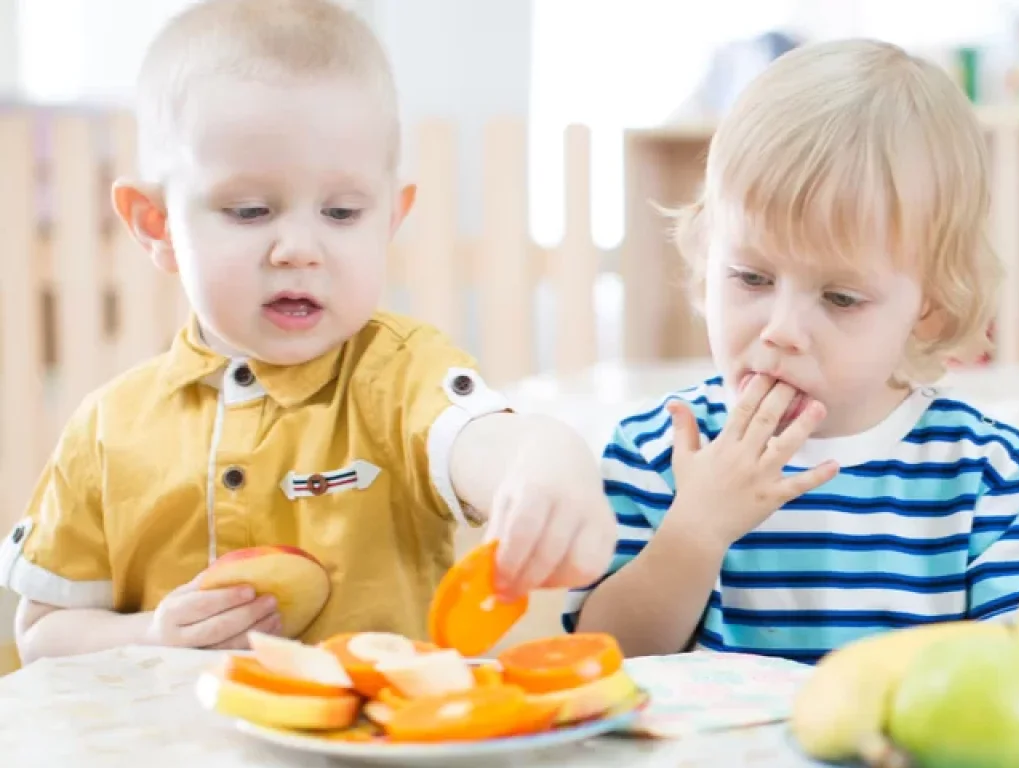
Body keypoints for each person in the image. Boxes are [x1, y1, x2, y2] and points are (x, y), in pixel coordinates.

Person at [1, 0, 615, 664]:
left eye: (342, 211)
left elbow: (489, 441)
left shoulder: (400, 378)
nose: (299, 247)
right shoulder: (107, 430)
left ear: (389, 218)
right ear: (157, 225)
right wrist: (151, 633)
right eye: (250, 210)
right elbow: (40, 636)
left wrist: (547, 461)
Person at [565, 39, 1019, 662]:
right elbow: (600, 658)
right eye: (751, 278)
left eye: (838, 297)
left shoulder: (984, 472)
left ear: (928, 307)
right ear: (707, 256)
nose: (781, 329)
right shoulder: (661, 449)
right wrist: (695, 531)